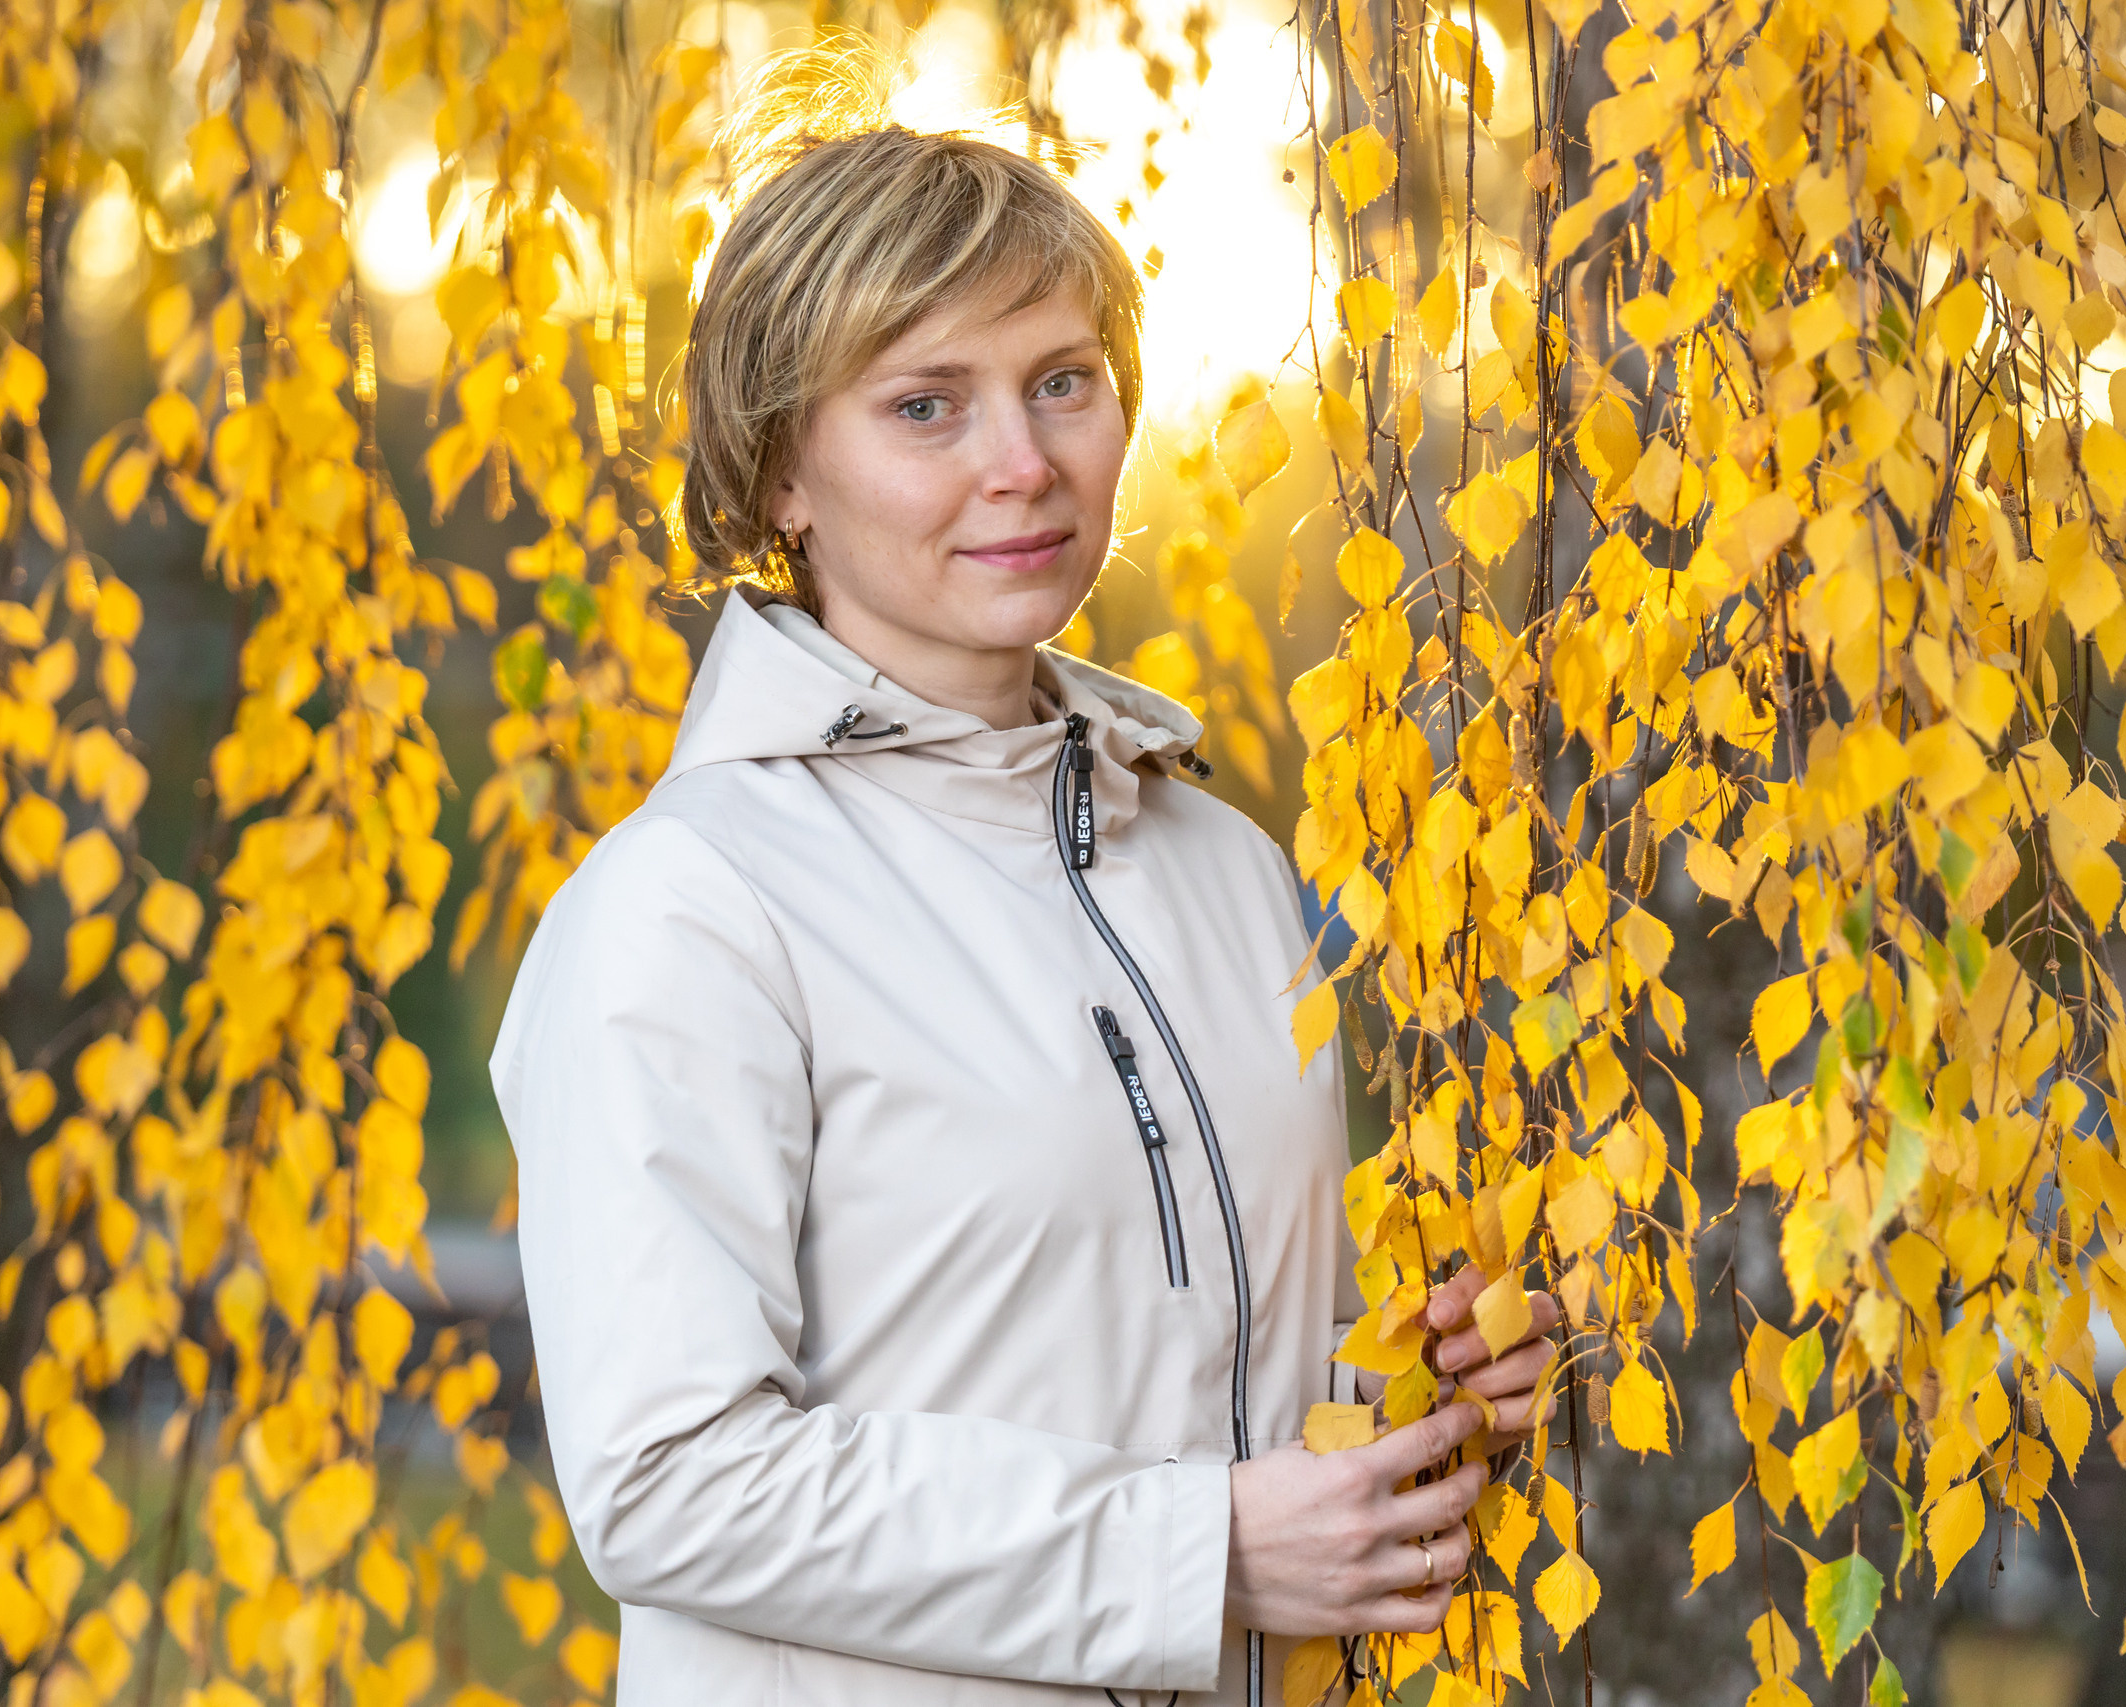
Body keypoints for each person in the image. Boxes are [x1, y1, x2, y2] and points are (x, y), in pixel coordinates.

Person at [487, 50, 1561, 1707]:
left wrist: (1430, 1384)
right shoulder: (690, 909)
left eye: (1065, 379)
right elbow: (669, 1479)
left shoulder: (1224, 868)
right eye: (928, 404)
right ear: (780, 472)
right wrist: (1191, 1551)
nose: (1026, 461)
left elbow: (1189, 1367)